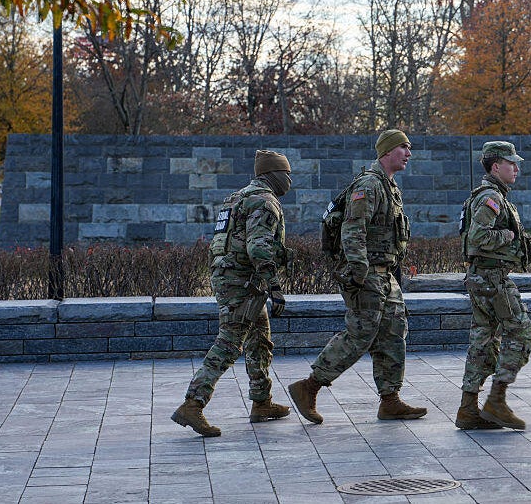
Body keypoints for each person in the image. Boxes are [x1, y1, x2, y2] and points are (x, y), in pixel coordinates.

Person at [288, 129, 426, 424]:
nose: (409, 153)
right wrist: (359, 272)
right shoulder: (369, 185)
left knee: (393, 333)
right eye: (404, 147)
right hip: (367, 275)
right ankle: (309, 387)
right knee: (360, 334)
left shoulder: (390, 188)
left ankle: (390, 400)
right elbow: (353, 231)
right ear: (387, 151)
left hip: (385, 274)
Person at [172, 150, 294, 437]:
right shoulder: (265, 202)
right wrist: (275, 287)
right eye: (286, 174)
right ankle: (192, 404)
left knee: (259, 340)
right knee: (229, 342)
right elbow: (258, 247)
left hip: (233, 277)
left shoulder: (236, 197)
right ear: (273, 175)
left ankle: (262, 402)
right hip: (243, 282)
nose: (289, 180)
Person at [455, 141, 531, 431]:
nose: (516, 168)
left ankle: (467, 409)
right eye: (510, 163)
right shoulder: (491, 197)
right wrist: (508, 237)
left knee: (483, 340)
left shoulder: (492, 195)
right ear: (494, 166)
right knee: (522, 331)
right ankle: (496, 401)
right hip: (492, 279)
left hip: (482, 277)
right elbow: (478, 238)